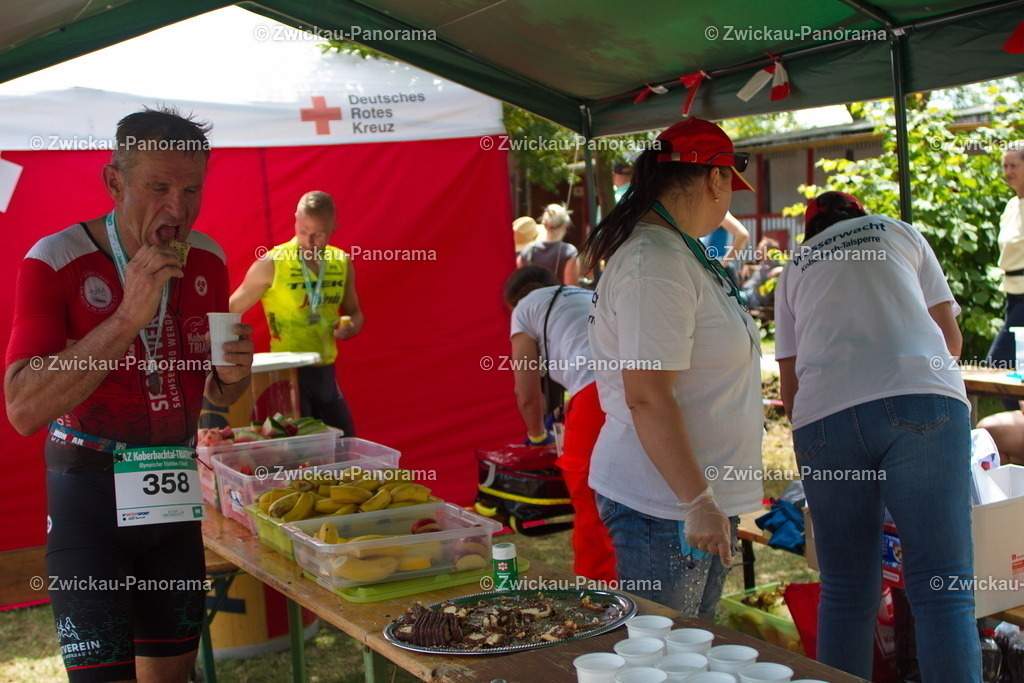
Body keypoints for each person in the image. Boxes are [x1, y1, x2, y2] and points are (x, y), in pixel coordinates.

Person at [4, 107, 254, 682]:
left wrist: (233, 377)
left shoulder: (209, 259)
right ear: (114, 181)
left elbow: (219, 395)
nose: (178, 207)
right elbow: (22, 408)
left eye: (192, 189)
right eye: (159, 186)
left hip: (172, 497)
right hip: (87, 498)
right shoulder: (56, 259)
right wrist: (126, 315)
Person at [775, 191, 979, 681]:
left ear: (812, 231)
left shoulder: (795, 266)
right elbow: (950, 341)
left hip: (825, 421)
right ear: (860, 216)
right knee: (942, 587)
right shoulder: (898, 230)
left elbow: (789, 384)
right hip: (921, 400)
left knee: (846, 588)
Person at [582, 117, 763, 619]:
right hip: (665, 504)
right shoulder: (654, 261)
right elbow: (647, 394)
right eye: (731, 187)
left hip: (687, 500)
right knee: (666, 656)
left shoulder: (677, 251)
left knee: (691, 649)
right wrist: (697, 499)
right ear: (715, 179)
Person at [503, 265, 616, 582]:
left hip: (596, 395)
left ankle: (599, 598)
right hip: (646, 386)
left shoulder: (525, 308)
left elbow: (526, 392)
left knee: (590, 496)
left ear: (515, 301)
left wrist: (537, 435)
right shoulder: (587, 294)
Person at [230, 191, 363, 436]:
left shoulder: (341, 261)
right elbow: (231, 308)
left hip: (325, 372)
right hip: (286, 374)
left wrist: (353, 325)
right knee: (299, 457)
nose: (308, 240)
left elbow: (355, 312)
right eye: (302, 231)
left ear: (334, 227)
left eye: (318, 234)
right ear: (295, 220)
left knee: (346, 445)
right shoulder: (272, 262)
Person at [518, 204, 580, 285]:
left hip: (532, 297)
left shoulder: (527, 249)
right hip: (558, 297)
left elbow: (519, 282)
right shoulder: (569, 251)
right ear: (564, 227)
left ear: (543, 224)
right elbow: (571, 287)